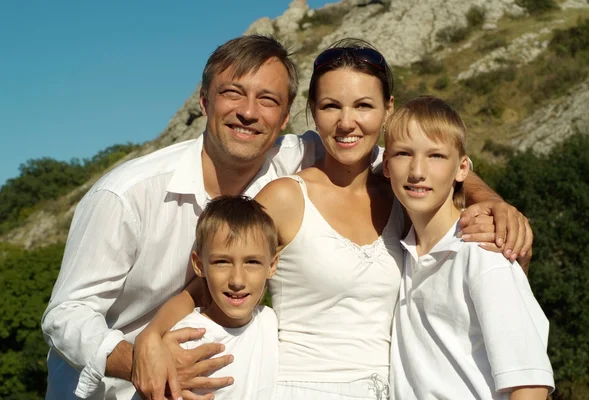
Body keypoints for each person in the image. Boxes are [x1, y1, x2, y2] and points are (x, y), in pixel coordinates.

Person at [42, 34, 531, 400]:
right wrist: (141, 349)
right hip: (111, 384)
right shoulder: (126, 194)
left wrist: (487, 196)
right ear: (204, 100)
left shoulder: (351, 167)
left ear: (284, 116)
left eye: (269, 100)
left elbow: (423, 162)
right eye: (233, 93)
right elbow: (65, 315)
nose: (249, 113)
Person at [383, 96, 554, 399]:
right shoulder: (403, 253)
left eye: (435, 156)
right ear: (385, 166)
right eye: (403, 154)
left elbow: (530, 384)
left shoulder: (482, 252)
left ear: (462, 168)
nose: (417, 170)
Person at [152, 195, 280, 400]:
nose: (237, 280)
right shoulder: (184, 342)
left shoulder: (269, 321)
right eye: (222, 262)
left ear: (272, 266)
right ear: (199, 264)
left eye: (252, 262)